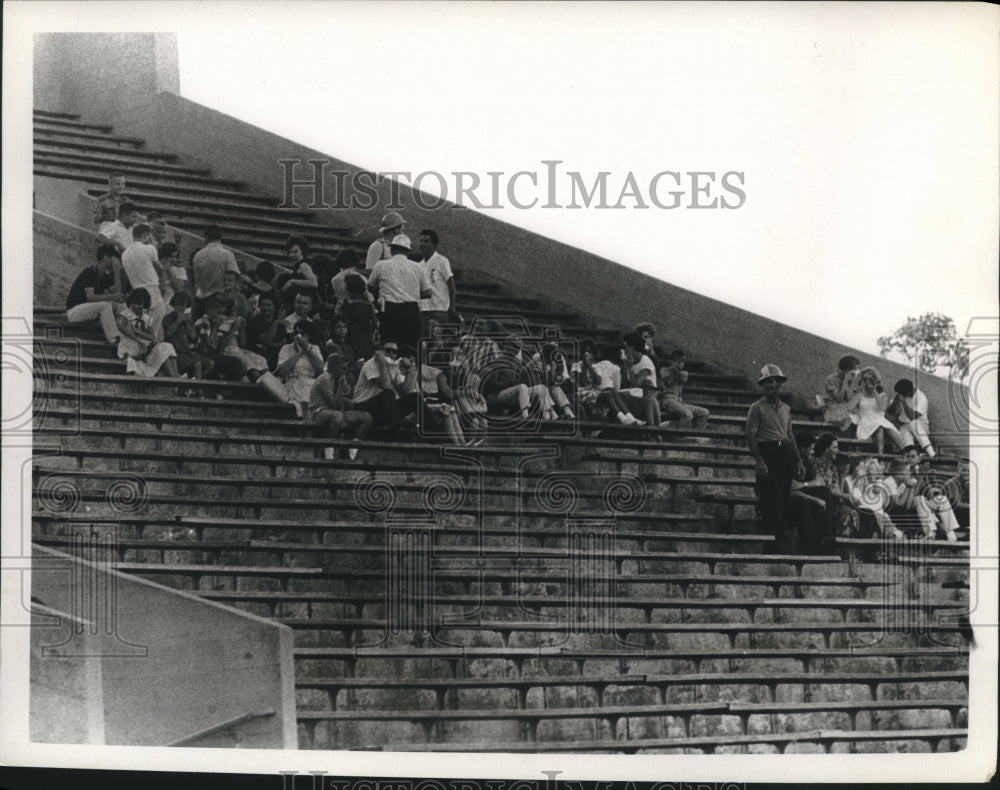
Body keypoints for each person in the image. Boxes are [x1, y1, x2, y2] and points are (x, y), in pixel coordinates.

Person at [745, 364, 806, 551]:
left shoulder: (786, 408)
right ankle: (772, 545)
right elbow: (751, 434)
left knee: (785, 500)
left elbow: (790, 435)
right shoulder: (756, 407)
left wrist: (799, 460)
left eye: (772, 382)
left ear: (779, 384)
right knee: (771, 501)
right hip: (768, 452)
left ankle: (779, 543)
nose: (769, 386)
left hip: (784, 453)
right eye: (765, 383)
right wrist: (759, 461)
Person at [367, 234, 432, 346]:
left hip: (389, 309)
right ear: (408, 251)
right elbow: (428, 292)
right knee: (411, 349)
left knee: (388, 347)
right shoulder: (417, 267)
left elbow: (370, 286)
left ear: (391, 249)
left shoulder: (381, 265)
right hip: (411, 311)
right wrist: (413, 291)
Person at [309, 353, 372, 460]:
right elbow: (332, 403)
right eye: (342, 367)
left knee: (366, 417)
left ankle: (352, 450)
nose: (344, 370)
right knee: (337, 416)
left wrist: (347, 381)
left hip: (336, 411)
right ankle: (329, 453)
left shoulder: (339, 378)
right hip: (320, 411)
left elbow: (347, 394)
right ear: (335, 367)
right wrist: (339, 383)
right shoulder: (324, 378)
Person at [65, 245, 126, 344]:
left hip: (89, 310)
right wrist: (111, 297)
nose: (116, 262)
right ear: (105, 258)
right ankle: (114, 339)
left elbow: (117, 296)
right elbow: (90, 297)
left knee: (120, 305)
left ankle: (126, 336)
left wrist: (117, 272)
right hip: (74, 311)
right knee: (105, 305)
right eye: (114, 258)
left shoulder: (105, 276)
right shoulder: (89, 272)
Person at [571, 339, 641, 424]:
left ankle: (630, 417)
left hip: (593, 393)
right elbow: (581, 382)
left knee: (613, 393)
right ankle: (623, 419)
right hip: (581, 393)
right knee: (607, 394)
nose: (587, 354)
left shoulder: (595, 368)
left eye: (590, 351)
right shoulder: (577, 365)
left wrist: (590, 367)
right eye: (585, 351)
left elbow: (598, 382)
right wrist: (586, 366)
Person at [115, 288, 179, 378]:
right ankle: (176, 379)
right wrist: (138, 340)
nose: (136, 306)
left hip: (144, 348)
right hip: (129, 346)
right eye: (134, 303)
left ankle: (175, 377)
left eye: (140, 304)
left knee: (166, 346)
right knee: (156, 351)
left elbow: (152, 337)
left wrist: (137, 331)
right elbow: (123, 329)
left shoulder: (146, 318)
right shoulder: (125, 314)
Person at [353, 340, 409, 437]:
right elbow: (385, 385)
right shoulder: (371, 364)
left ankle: (432, 436)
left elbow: (404, 391)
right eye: (388, 350)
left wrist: (410, 369)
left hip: (382, 406)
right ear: (380, 351)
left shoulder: (394, 366)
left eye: (394, 351)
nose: (391, 353)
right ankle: (396, 433)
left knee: (414, 397)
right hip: (363, 405)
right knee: (388, 393)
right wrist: (382, 362)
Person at [120, 223, 166, 340]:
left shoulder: (125, 254)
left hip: (137, 292)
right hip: (152, 290)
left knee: (142, 324)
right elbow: (160, 270)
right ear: (146, 236)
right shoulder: (149, 248)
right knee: (153, 328)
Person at [847, 366, 904, 455]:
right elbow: (850, 407)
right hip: (866, 420)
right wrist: (857, 409)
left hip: (879, 418)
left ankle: (905, 451)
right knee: (879, 428)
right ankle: (881, 455)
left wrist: (874, 391)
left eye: (872, 381)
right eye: (867, 381)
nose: (869, 384)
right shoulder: (860, 395)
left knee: (890, 429)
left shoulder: (881, 395)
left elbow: (882, 408)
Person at [276, 320, 326, 414]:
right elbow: (282, 372)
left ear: (309, 336)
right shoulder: (286, 348)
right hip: (293, 383)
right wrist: (299, 352)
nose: (298, 336)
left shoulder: (315, 348)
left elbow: (321, 369)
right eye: (296, 333)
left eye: (302, 333)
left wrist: (307, 349)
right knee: (300, 404)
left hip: (311, 384)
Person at [162, 290, 214, 380]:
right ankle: (198, 390)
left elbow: (193, 335)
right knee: (197, 364)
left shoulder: (187, 320)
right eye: (177, 305)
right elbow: (168, 333)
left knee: (211, 363)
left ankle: (196, 381)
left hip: (187, 352)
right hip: (176, 352)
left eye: (183, 305)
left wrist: (185, 321)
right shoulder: (168, 317)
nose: (180, 308)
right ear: (173, 305)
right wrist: (178, 320)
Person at [193, 225, 240, 316]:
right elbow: (234, 280)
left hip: (202, 298)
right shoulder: (228, 255)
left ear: (206, 237)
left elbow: (196, 280)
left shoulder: (197, 255)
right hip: (221, 300)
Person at [659, 350, 710, 430]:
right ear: (672, 361)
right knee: (688, 415)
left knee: (704, 413)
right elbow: (669, 381)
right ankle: (678, 438)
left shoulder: (684, 373)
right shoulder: (664, 370)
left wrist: (675, 370)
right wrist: (673, 368)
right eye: (678, 361)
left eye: (683, 361)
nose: (681, 363)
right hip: (669, 400)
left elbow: (683, 379)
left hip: (680, 402)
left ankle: (694, 437)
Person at [417, 229, 457, 332]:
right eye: (420, 241)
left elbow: (451, 286)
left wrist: (452, 308)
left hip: (439, 310)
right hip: (423, 310)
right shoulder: (419, 265)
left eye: (426, 241)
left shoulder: (442, 261)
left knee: (437, 342)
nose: (422, 244)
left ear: (434, 244)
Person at [887, 378, 936, 457]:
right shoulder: (901, 394)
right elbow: (889, 413)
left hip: (921, 428)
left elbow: (912, 417)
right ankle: (910, 455)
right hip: (905, 426)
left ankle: (931, 453)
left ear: (909, 391)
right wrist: (895, 403)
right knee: (904, 428)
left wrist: (903, 402)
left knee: (913, 423)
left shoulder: (921, 398)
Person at [622, 332, 661, 427]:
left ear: (632, 347)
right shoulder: (630, 361)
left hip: (648, 397)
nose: (624, 350)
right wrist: (625, 366)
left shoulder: (645, 362)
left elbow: (635, 386)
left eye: (626, 346)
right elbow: (625, 384)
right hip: (637, 398)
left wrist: (630, 368)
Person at [245, 292, 289, 370]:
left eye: (269, 305)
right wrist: (275, 324)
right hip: (257, 356)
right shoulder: (254, 321)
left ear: (275, 308)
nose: (265, 307)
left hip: (275, 356)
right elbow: (266, 340)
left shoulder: (280, 323)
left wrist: (270, 346)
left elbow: (283, 343)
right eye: (263, 305)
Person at [339, 274, 378, 361]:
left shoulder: (346, 305)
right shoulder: (369, 305)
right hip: (366, 338)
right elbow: (374, 323)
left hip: (351, 338)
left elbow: (340, 319)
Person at [819, 355, 861, 431]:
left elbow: (849, 398)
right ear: (846, 370)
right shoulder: (831, 379)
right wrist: (845, 382)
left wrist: (849, 383)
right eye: (853, 370)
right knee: (851, 417)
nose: (855, 373)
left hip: (845, 408)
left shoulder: (850, 379)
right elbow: (839, 399)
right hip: (833, 408)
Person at [278, 235, 319, 308]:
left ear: (302, 252)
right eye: (291, 252)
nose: (293, 255)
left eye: (296, 252)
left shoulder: (303, 265)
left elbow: (314, 283)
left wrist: (292, 281)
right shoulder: (297, 266)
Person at [157, 242, 188, 308]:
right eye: (171, 257)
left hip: (173, 304)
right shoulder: (157, 269)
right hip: (159, 303)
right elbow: (157, 290)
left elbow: (179, 288)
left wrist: (169, 271)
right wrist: (164, 271)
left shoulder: (180, 269)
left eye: (175, 256)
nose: (174, 259)